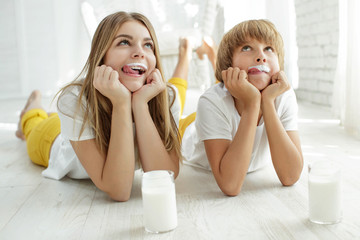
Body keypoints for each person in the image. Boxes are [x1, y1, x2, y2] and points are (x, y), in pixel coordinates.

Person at [15, 11, 202, 202]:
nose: (140, 52)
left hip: (78, 121)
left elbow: (164, 175)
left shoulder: (166, 95)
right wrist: (121, 103)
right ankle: (33, 104)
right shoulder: (73, 99)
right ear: (101, 55)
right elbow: (119, 191)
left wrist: (140, 104)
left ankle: (48, 113)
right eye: (124, 42)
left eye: (148, 45)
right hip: (52, 139)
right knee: (32, 125)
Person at [182, 19, 303, 196]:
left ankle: (210, 51)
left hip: (227, 104)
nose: (261, 56)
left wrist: (267, 103)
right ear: (228, 63)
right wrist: (253, 104)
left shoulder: (283, 95)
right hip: (185, 130)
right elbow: (230, 185)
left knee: (236, 81)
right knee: (176, 99)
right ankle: (189, 52)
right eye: (246, 47)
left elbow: (290, 176)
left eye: (269, 48)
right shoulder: (210, 101)